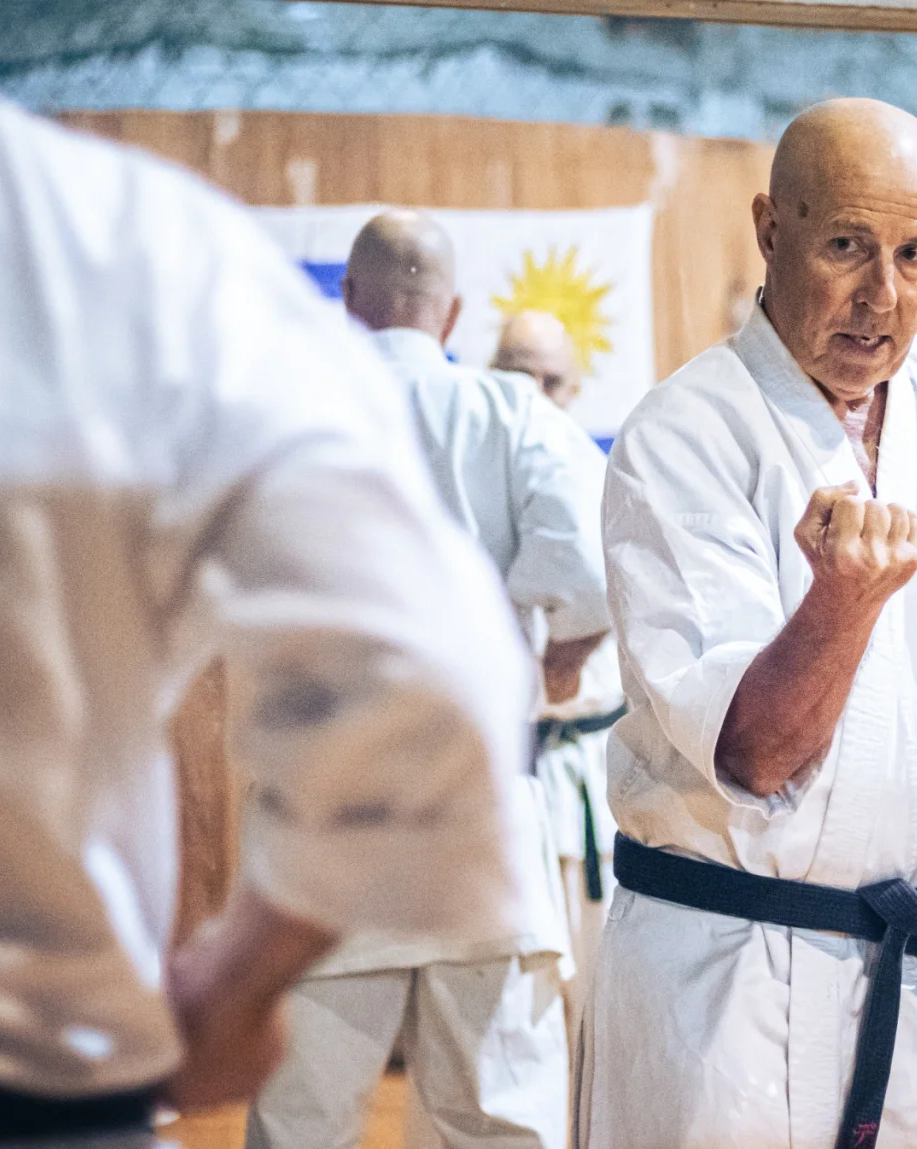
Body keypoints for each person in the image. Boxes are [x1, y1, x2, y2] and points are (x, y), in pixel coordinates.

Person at [0, 7, 533, 1145]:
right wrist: (239, 978)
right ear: (452, 312)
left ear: (361, 298)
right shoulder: (116, 243)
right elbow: (441, 658)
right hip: (12, 1086)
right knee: (481, 1110)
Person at [577, 97, 917, 1149]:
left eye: (915, 255)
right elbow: (758, 754)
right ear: (771, 230)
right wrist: (841, 603)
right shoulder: (685, 436)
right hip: (740, 980)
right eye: (847, 246)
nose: (882, 297)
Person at [246, 213, 610, 1149]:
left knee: (301, 1124)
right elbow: (597, 564)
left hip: (330, 813)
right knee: (498, 1125)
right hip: (478, 808)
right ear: (449, 315)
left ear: (350, 302)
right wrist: (558, 653)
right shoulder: (513, 414)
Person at [493, 311, 625, 1027]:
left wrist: (563, 661)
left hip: (587, 768)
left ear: (574, 390)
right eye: (515, 374)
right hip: (505, 774)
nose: (533, 394)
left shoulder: (604, 476)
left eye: (549, 380)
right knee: (513, 1011)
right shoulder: (465, 477)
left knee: (598, 1003)